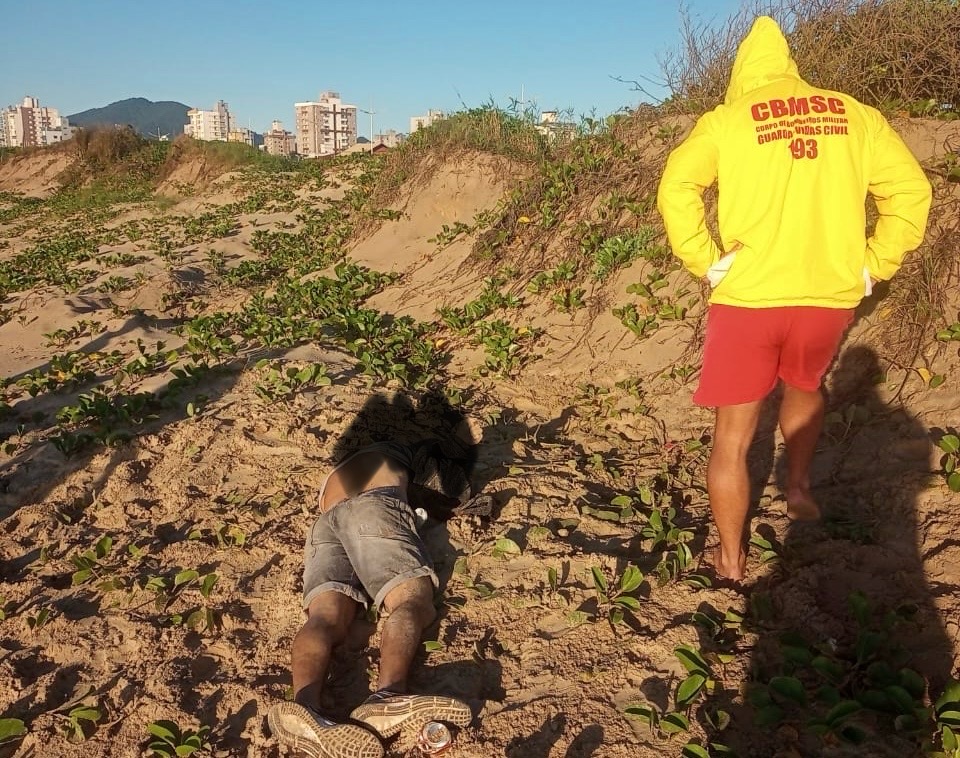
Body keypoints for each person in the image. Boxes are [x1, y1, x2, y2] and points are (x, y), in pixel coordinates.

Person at [656, 16, 931, 580]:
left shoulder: (728, 120)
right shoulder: (854, 114)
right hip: (828, 296)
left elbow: (677, 186)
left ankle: (730, 559)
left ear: (742, 76)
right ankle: (800, 486)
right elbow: (909, 192)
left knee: (733, 437)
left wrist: (704, 259)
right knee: (805, 385)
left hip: (749, 298)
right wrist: (873, 265)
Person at [267, 420, 483, 757]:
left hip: (325, 518)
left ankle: (305, 707)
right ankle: (388, 694)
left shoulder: (352, 464)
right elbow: (449, 488)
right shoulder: (409, 449)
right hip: (373, 506)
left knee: (325, 617)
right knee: (410, 600)